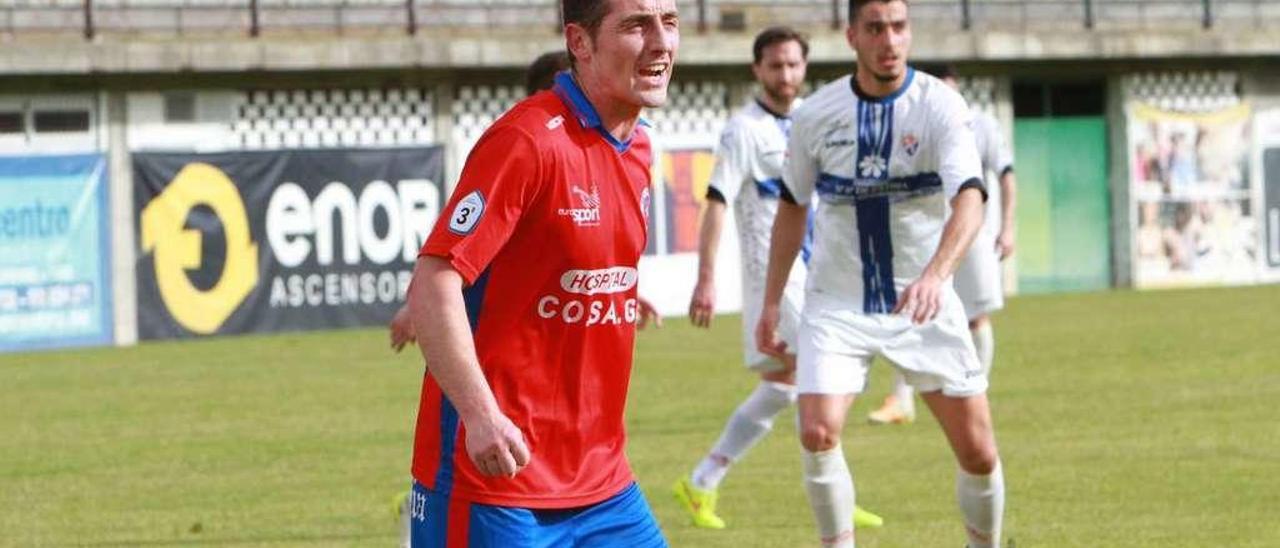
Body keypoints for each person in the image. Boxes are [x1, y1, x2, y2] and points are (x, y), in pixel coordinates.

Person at [403, 0, 679, 546]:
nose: (661, 42)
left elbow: (561, 264)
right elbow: (434, 282)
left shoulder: (638, 146)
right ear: (580, 43)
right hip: (496, 482)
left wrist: (622, 289)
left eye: (669, 22)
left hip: (604, 483)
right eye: (635, 25)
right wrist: (481, 415)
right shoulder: (527, 141)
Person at [755, 0, 1005, 546]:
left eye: (897, 27)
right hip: (837, 302)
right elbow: (793, 206)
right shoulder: (817, 115)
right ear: (852, 36)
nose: (888, 40)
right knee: (817, 432)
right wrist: (773, 302)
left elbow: (969, 196)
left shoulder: (940, 106)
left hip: (923, 301)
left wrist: (938, 275)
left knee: (979, 452)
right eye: (875, 28)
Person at [672, 26, 882, 532]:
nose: (785, 74)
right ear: (757, 70)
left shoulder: (814, 121)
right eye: (775, 65)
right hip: (776, 277)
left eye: (793, 65)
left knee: (792, 381)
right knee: (817, 373)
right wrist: (705, 278)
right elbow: (717, 203)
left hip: (822, 270)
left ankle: (702, 481)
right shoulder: (743, 130)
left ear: (804, 67)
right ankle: (829, 489)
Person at [868, 64, 1018, 425]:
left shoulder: (981, 125)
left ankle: (975, 388)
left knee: (975, 317)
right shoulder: (909, 124)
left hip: (971, 234)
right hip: (924, 236)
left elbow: (1006, 175)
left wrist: (1008, 227)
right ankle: (901, 401)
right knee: (909, 312)